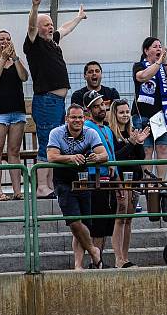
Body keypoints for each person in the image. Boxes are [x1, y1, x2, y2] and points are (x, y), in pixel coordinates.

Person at [24, 0, 87, 198]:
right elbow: (31, 27)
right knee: (46, 141)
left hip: (58, 102)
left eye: (51, 24)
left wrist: (78, 18)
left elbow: (65, 29)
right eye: (46, 25)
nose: (50, 28)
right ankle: (42, 187)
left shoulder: (53, 42)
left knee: (56, 143)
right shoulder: (34, 44)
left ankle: (49, 185)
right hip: (46, 101)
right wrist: (35, 6)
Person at [46, 104, 107, 271]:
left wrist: (96, 157)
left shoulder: (91, 133)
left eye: (80, 117)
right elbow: (51, 157)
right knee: (74, 222)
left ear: (84, 118)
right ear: (66, 119)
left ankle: (78, 265)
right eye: (73, 117)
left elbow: (104, 155)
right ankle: (94, 251)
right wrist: (71, 158)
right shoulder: (56, 133)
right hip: (63, 182)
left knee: (82, 224)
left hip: (84, 180)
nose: (77, 120)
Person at [0, 30, 29, 201]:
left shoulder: (17, 61)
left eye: (8, 39)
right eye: (1, 39)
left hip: (17, 111)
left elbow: (24, 77)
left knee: (14, 151)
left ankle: (17, 191)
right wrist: (3, 58)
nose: (5, 41)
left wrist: (15, 58)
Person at [109, 99, 150, 268]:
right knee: (120, 219)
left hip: (134, 180)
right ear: (115, 114)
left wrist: (139, 143)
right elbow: (116, 157)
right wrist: (132, 143)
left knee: (128, 220)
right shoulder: (111, 133)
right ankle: (118, 258)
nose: (125, 115)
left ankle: (125, 256)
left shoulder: (132, 132)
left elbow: (140, 158)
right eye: (121, 112)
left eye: (127, 112)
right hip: (120, 181)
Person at [131, 36, 167, 182]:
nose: (159, 48)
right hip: (143, 115)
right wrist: (157, 63)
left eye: (160, 46)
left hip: (162, 115)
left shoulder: (163, 68)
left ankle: (160, 182)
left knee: (162, 148)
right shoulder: (139, 65)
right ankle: (148, 182)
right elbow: (143, 76)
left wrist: (166, 62)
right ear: (146, 50)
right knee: (147, 149)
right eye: (155, 46)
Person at [81, 90, 118, 266]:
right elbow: (88, 152)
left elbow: (112, 155)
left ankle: (99, 260)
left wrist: (117, 178)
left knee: (104, 225)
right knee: (96, 225)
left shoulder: (108, 129)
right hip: (94, 179)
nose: (101, 108)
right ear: (88, 110)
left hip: (109, 180)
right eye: (96, 106)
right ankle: (95, 261)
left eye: (102, 104)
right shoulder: (87, 128)